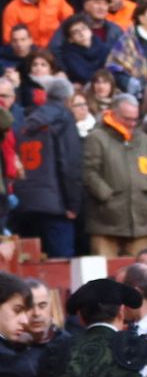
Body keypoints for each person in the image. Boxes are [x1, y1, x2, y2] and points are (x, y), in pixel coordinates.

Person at [82, 93, 147, 256]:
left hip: (139, 221)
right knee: (104, 275)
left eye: (135, 119)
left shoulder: (144, 139)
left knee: (141, 275)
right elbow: (89, 171)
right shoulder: (97, 137)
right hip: (105, 222)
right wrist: (106, 196)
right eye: (127, 119)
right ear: (114, 113)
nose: (132, 124)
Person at [11, 76, 80, 259]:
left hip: (25, 201)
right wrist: (73, 203)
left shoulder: (26, 120)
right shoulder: (64, 119)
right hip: (55, 204)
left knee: (30, 263)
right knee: (61, 264)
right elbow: (68, 165)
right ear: (68, 99)